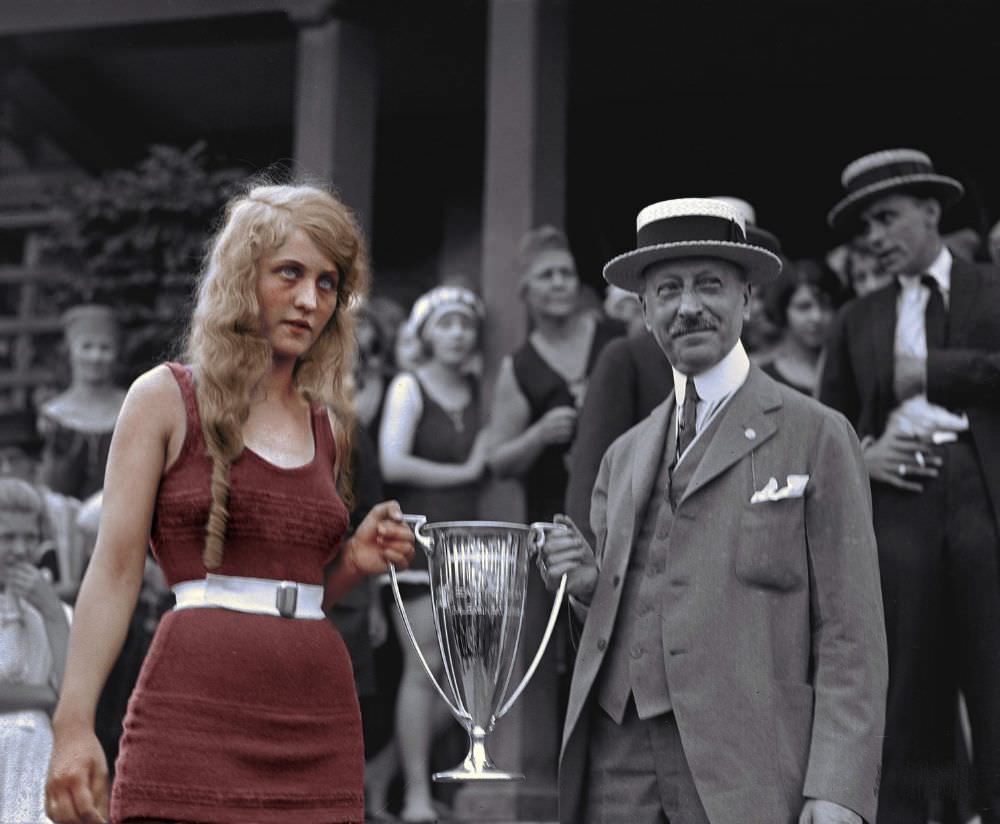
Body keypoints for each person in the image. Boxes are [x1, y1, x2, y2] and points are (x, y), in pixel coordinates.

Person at [44, 182, 415, 824]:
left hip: (319, 716)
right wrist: (73, 725)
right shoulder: (164, 397)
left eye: (328, 283)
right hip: (190, 712)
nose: (309, 300)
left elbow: (296, 594)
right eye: (290, 273)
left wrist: (352, 561)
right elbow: (113, 571)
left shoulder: (330, 424)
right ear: (245, 277)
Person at [539, 197, 887, 824]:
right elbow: (629, 607)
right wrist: (590, 591)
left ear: (748, 299)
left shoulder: (818, 433)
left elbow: (851, 633)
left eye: (710, 285)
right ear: (644, 311)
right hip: (616, 769)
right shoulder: (623, 455)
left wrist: (838, 785)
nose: (688, 306)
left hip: (749, 768)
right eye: (667, 290)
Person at [819, 148, 1000, 824]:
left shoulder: (991, 286)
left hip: (985, 497)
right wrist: (861, 456)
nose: (875, 237)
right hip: (898, 509)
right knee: (904, 687)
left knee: (993, 675)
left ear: (930, 211)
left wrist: (929, 372)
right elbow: (826, 423)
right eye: (866, 225)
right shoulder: (855, 320)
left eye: (887, 217)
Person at [375, 284, 488, 823]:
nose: (457, 334)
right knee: (426, 667)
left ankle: (380, 772)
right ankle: (416, 796)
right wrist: (466, 472)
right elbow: (393, 463)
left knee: (466, 678)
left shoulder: (481, 388)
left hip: (471, 551)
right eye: (445, 323)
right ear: (424, 334)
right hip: (415, 545)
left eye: (465, 324)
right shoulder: (408, 386)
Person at [486, 225, 623, 524]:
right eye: (546, 276)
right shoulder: (520, 367)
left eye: (567, 274)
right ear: (525, 289)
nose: (559, 283)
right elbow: (497, 461)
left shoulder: (615, 339)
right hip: (556, 519)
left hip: (624, 509)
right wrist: (538, 435)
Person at [0, 477, 70, 824]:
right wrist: (46, 695)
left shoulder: (50, 610)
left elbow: (73, 699)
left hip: (35, 759)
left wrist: (52, 612)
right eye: (7, 537)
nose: (20, 548)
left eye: (29, 537)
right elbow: (56, 695)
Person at [37, 304, 126, 502]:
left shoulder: (132, 406)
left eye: (105, 348)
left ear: (116, 353)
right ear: (70, 351)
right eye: (87, 346)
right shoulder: (51, 415)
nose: (95, 357)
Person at [759, 259, 845, 395]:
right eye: (804, 307)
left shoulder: (849, 370)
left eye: (826, 305)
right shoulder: (764, 380)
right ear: (782, 311)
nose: (817, 317)